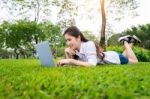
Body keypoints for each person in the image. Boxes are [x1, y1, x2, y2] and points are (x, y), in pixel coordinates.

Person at [57, 26, 141, 67]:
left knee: (135, 61)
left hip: (115, 58)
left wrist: (70, 60)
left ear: (78, 37)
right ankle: (132, 41)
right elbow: (78, 64)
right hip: (111, 54)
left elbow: (92, 64)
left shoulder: (88, 44)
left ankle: (125, 42)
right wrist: (68, 56)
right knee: (124, 54)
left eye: (69, 39)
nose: (67, 43)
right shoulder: (77, 50)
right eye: (66, 40)